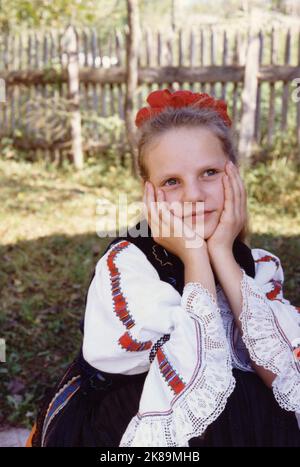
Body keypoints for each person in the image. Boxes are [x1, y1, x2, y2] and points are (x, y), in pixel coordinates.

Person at [27, 89, 300, 447]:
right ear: (149, 194)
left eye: (209, 173)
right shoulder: (128, 266)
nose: (193, 195)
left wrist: (220, 252)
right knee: (223, 408)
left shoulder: (257, 267)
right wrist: (194, 257)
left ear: (234, 175)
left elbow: (284, 378)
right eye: (172, 181)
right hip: (131, 424)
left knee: (260, 399)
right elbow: (193, 376)